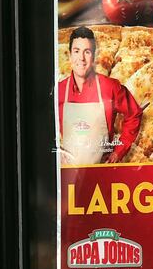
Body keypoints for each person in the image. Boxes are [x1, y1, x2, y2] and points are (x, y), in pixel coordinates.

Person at [58, 26, 142, 165]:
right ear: (70, 55)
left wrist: (119, 151)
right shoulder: (59, 91)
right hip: (69, 170)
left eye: (87, 52)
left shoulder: (110, 87)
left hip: (103, 168)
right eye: (77, 51)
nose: (81, 58)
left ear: (94, 55)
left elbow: (134, 114)